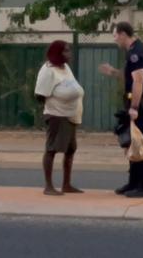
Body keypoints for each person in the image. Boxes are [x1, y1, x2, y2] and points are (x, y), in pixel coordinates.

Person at [99, 22, 143, 198]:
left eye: (115, 35)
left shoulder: (136, 54)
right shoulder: (136, 51)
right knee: (133, 142)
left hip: (139, 103)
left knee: (141, 143)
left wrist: (134, 108)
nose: (115, 39)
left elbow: (138, 82)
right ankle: (134, 182)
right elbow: (130, 77)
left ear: (123, 34)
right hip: (138, 101)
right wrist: (114, 72)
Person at [34, 40, 85, 196]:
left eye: (69, 51)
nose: (69, 54)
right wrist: (56, 104)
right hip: (57, 115)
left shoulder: (65, 67)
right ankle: (48, 186)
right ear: (57, 53)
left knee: (70, 150)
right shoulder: (48, 70)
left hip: (71, 115)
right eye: (66, 51)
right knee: (52, 149)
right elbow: (40, 95)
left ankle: (66, 184)